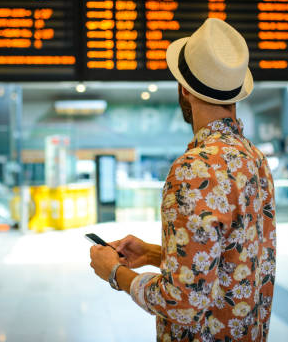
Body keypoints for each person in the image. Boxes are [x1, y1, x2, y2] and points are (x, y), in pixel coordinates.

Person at [89, 18, 276, 341]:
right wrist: (150, 254)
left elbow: (184, 305)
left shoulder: (194, 168)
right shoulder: (254, 159)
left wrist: (116, 274)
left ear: (184, 90)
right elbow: (234, 267)